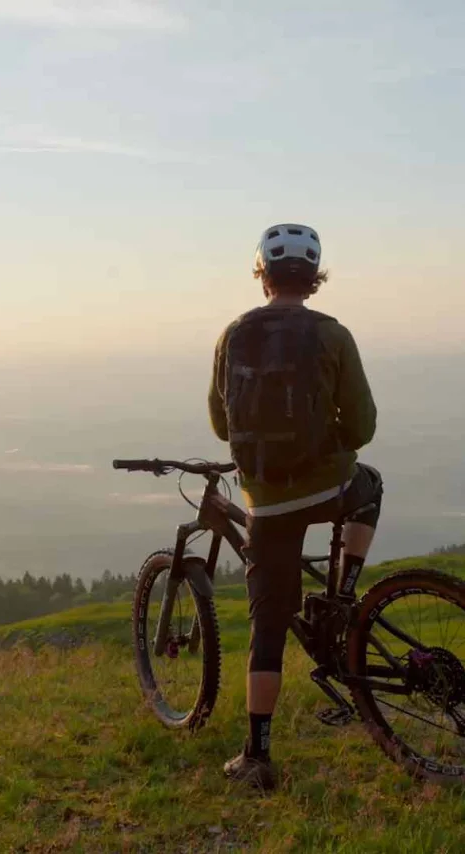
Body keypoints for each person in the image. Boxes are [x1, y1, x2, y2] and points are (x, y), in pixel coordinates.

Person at [208, 223, 382, 790]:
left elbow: (220, 423)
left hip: (266, 502)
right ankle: (343, 594)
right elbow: (362, 428)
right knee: (371, 484)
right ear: (313, 278)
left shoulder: (232, 335)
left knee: (268, 627)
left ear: (262, 274)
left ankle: (256, 757)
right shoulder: (334, 335)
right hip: (330, 488)